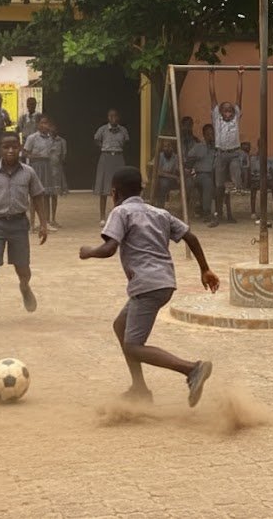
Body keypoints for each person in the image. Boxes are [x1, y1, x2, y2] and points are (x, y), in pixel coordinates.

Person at [79, 166, 220, 406]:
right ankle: (139, 389)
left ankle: (191, 369)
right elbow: (190, 237)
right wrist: (204, 268)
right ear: (140, 189)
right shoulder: (159, 212)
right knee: (120, 326)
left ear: (114, 193)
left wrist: (88, 252)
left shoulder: (121, 212)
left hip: (146, 286)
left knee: (133, 346)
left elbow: (109, 249)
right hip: (164, 282)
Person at [0, 131, 49, 329]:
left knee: (23, 268)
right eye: (6, 147)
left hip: (18, 224)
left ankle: (24, 286)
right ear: (0, 149)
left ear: (21, 147)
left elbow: (38, 196)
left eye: (14, 146)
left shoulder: (28, 172)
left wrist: (43, 224)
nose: (11, 150)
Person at [209, 68, 245, 214]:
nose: (229, 113)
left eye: (231, 110)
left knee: (236, 171)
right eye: (226, 110)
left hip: (234, 153)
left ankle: (237, 187)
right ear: (220, 112)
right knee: (218, 185)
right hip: (220, 153)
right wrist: (211, 75)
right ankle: (217, 213)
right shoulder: (217, 118)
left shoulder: (236, 118)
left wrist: (240, 76)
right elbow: (212, 95)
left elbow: (239, 96)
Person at [93, 109, 130, 227]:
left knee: (119, 187)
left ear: (118, 117)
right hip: (106, 157)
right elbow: (96, 139)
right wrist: (104, 148)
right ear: (108, 117)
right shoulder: (102, 129)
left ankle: (117, 215)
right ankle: (102, 217)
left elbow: (126, 142)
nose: (113, 118)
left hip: (118, 157)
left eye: (115, 116)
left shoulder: (123, 130)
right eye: (111, 116)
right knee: (104, 188)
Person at [23, 115, 58, 231]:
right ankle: (32, 224)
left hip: (47, 165)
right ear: (38, 125)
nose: (45, 125)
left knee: (47, 194)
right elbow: (25, 153)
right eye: (42, 123)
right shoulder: (32, 138)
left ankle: (46, 222)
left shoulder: (50, 139)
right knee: (35, 196)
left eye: (47, 123)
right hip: (36, 166)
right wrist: (36, 156)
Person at [185, 123, 218, 227]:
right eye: (208, 134)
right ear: (204, 135)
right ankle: (206, 212)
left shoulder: (217, 148)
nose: (211, 137)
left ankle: (213, 212)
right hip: (200, 174)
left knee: (212, 182)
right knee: (206, 182)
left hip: (215, 175)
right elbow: (189, 160)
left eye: (212, 134)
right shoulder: (198, 147)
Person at [47, 120, 68, 226]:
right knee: (46, 195)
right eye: (51, 128)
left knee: (54, 195)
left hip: (57, 170)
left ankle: (53, 219)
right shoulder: (45, 140)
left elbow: (63, 156)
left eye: (55, 128)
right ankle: (46, 220)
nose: (53, 130)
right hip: (47, 170)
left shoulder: (62, 141)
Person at [154, 140, 181, 209]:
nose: (167, 148)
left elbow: (176, 170)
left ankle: (182, 208)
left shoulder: (175, 157)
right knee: (164, 183)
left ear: (172, 147)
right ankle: (160, 206)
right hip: (162, 178)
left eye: (169, 146)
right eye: (165, 146)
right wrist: (174, 176)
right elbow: (159, 172)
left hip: (172, 179)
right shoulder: (160, 156)